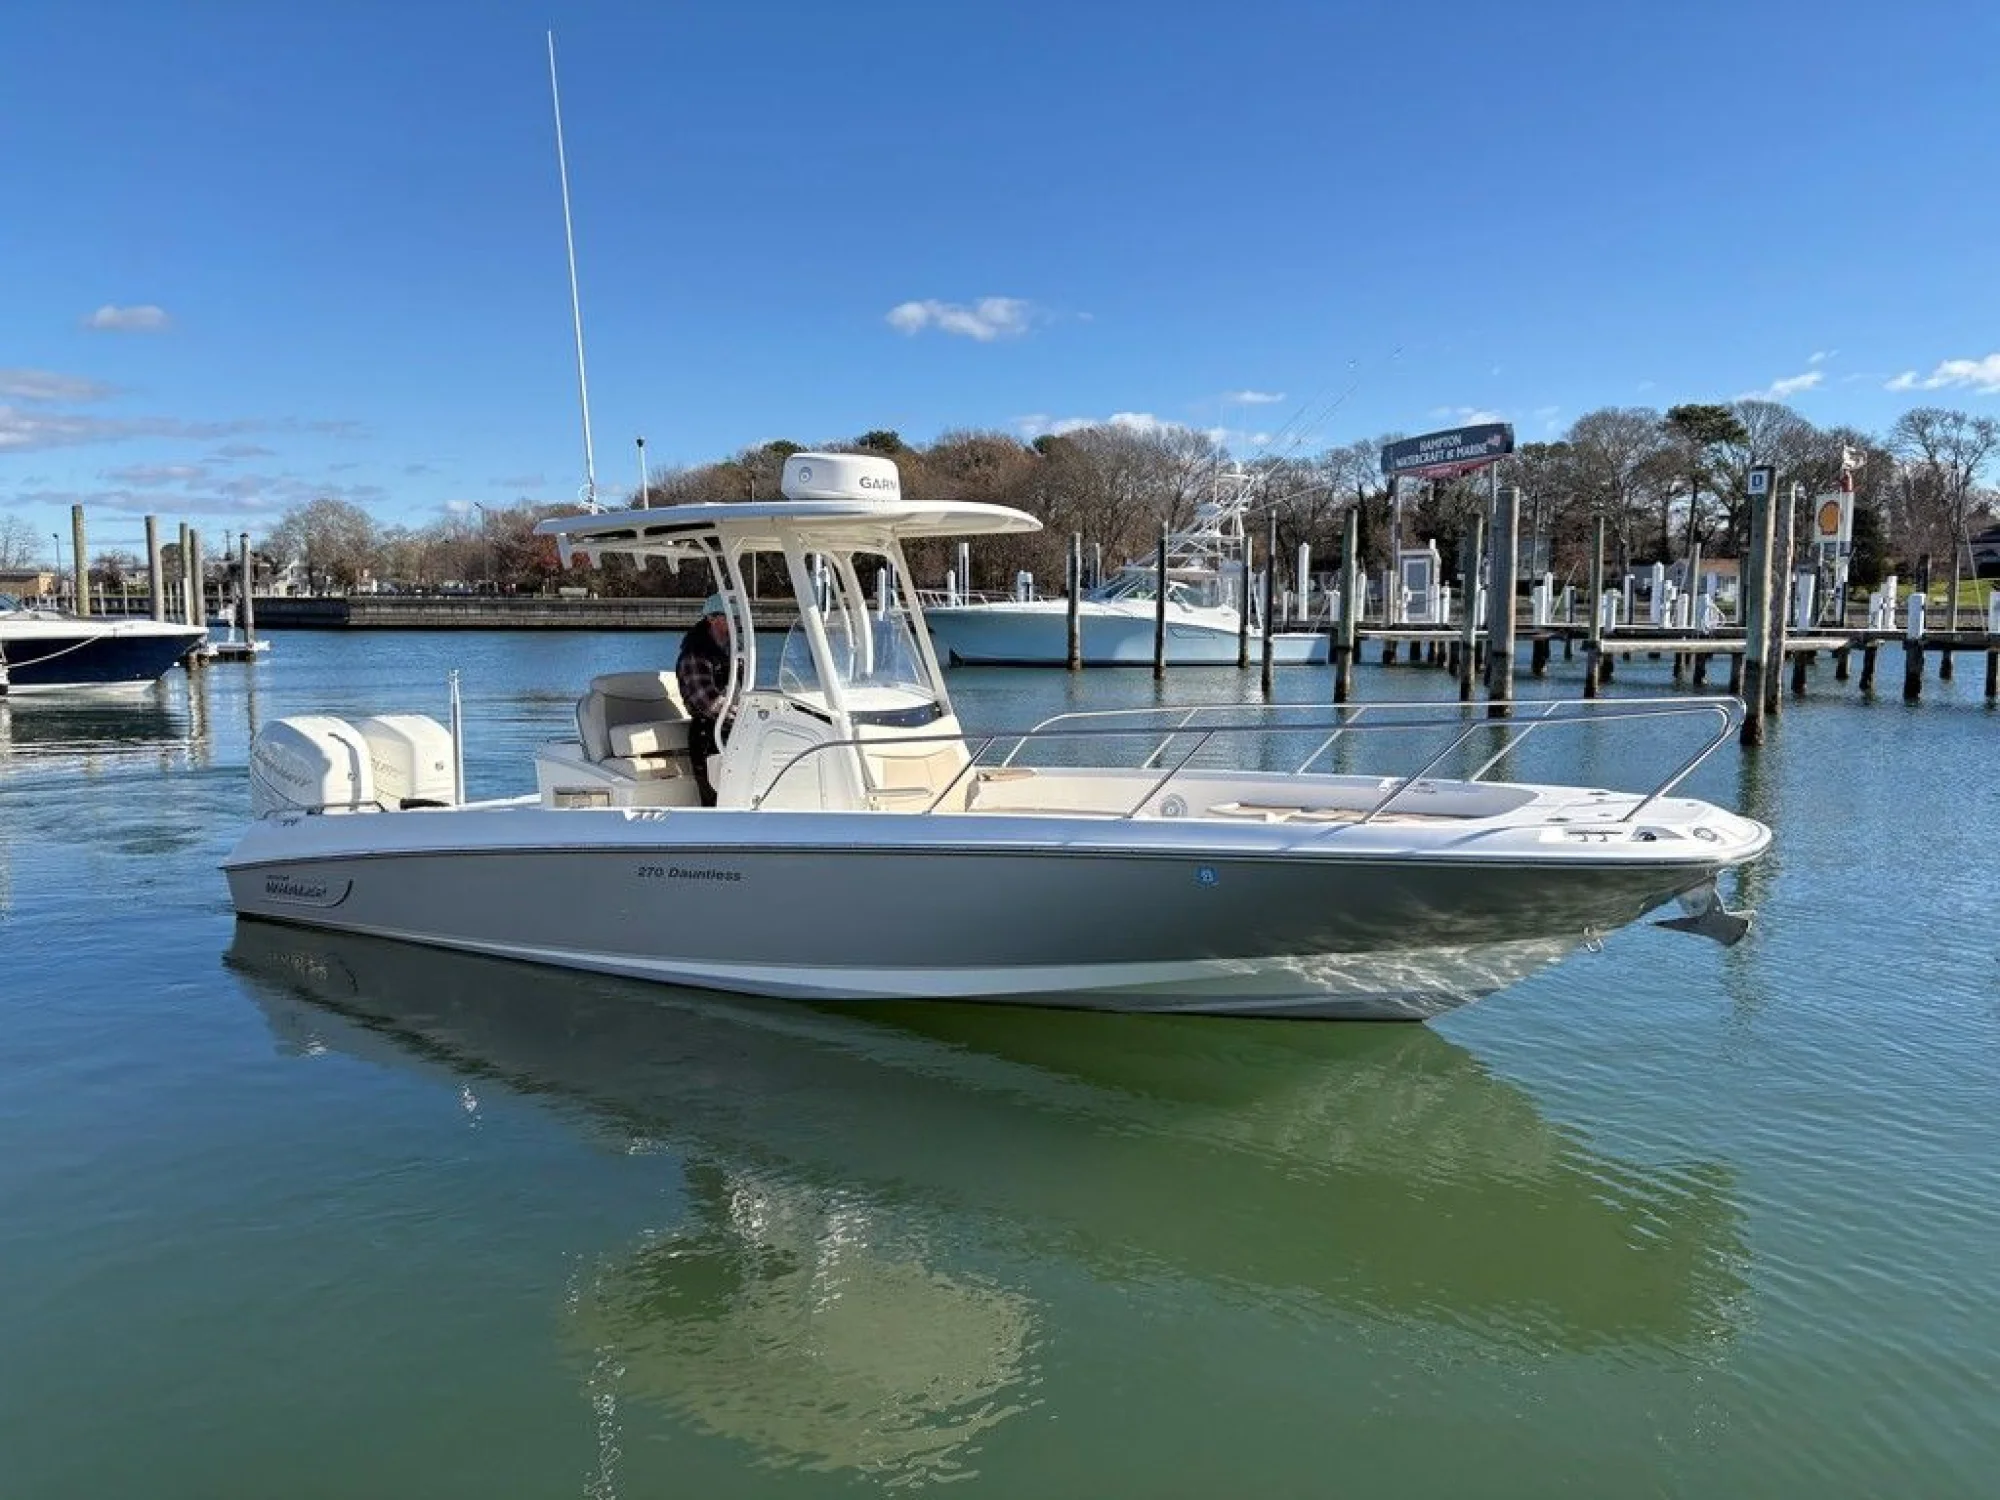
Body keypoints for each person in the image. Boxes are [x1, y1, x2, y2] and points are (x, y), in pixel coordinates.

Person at [675, 592, 732, 806]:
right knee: (717, 801)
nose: (736, 623)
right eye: (730, 617)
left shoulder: (732, 649)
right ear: (712, 619)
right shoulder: (695, 654)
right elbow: (707, 703)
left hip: (731, 731)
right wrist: (746, 717)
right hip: (708, 735)